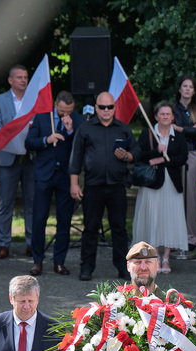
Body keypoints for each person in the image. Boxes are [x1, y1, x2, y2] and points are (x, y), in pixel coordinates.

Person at [69, 91, 139, 282]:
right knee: (90, 228)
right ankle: (86, 268)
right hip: (93, 186)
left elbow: (137, 152)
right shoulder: (85, 128)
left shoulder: (123, 129)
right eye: (102, 107)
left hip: (117, 186)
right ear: (96, 108)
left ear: (115, 107)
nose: (106, 110)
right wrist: (74, 183)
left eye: (110, 107)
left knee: (119, 228)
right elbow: (75, 157)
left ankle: (123, 268)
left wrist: (126, 156)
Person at [24, 91, 83, 276]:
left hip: (66, 176)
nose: (66, 114)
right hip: (44, 175)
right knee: (39, 218)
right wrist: (46, 139)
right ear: (56, 105)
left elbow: (81, 146)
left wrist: (71, 130)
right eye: (63, 111)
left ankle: (59, 262)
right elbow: (29, 142)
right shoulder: (41, 118)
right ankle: (37, 261)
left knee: (64, 220)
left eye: (69, 111)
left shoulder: (78, 120)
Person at [132, 101, 189, 273]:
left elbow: (183, 158)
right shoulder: (147, 133)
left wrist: (163, 159)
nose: (165, 117)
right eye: (162, 114)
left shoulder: (178, 136)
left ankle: (166, 258)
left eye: (168, 114)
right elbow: (139, 156)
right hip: (152, 185)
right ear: (156, 116)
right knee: (153, 219)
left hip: (171, 185)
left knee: (169, 220)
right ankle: (154, 257)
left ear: (172, 117)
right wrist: (156, 150)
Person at [0, 64, 35, 259]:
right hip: (7, 158)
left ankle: (32, 244)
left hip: (30, 158)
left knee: (32, 203)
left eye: (25, 77)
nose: (23, 80)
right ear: (10, 80)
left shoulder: (35, 99)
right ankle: (3, 244)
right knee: (5, 203)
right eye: (19, 77)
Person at [174, 75, 196, 257]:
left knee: (191, 197)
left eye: (191, 87)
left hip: (192, 154)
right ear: (179, 89)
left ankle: (191, 237)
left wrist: (181, 129)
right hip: (174, 155)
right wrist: (189, 129)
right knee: (174, 197)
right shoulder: (172, 108)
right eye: (184, 86)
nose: (187, 89)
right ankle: (173, 237)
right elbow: (170, 127)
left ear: (194, 91)